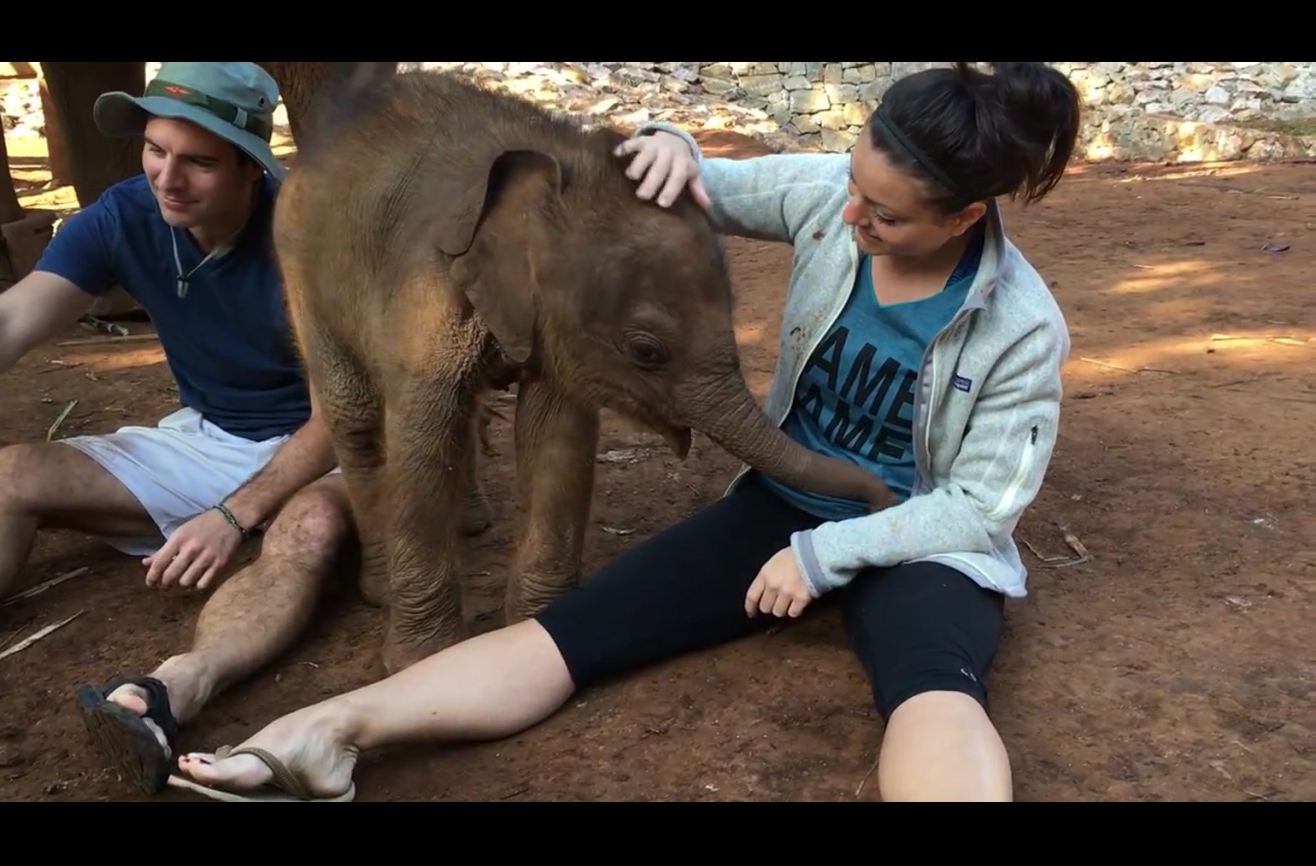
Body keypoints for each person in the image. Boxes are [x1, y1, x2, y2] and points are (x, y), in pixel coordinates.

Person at [168, 61, 1080, 803]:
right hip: (781, 512)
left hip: (915, 537)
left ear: (965, 217)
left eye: (883, 215)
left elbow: (976, 508)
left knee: (933, 687)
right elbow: (686, 179)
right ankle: (324, 737)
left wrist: (827, 558)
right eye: (851, 185)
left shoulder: (1021, 327)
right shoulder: (825, 202)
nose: (850, 217)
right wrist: (672, 143)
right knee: (569, 634)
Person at [0, 62, 383, 797]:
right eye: (155, 150)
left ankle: (167, 694)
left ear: (251, 167)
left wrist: (233, 515)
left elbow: (338, 416)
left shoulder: (306, 241)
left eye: (199, 161)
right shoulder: (125, 214)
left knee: (304, 530)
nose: (168, 179)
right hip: (206, 437)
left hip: (322, 445)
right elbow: (19, 317)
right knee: (14, 472)